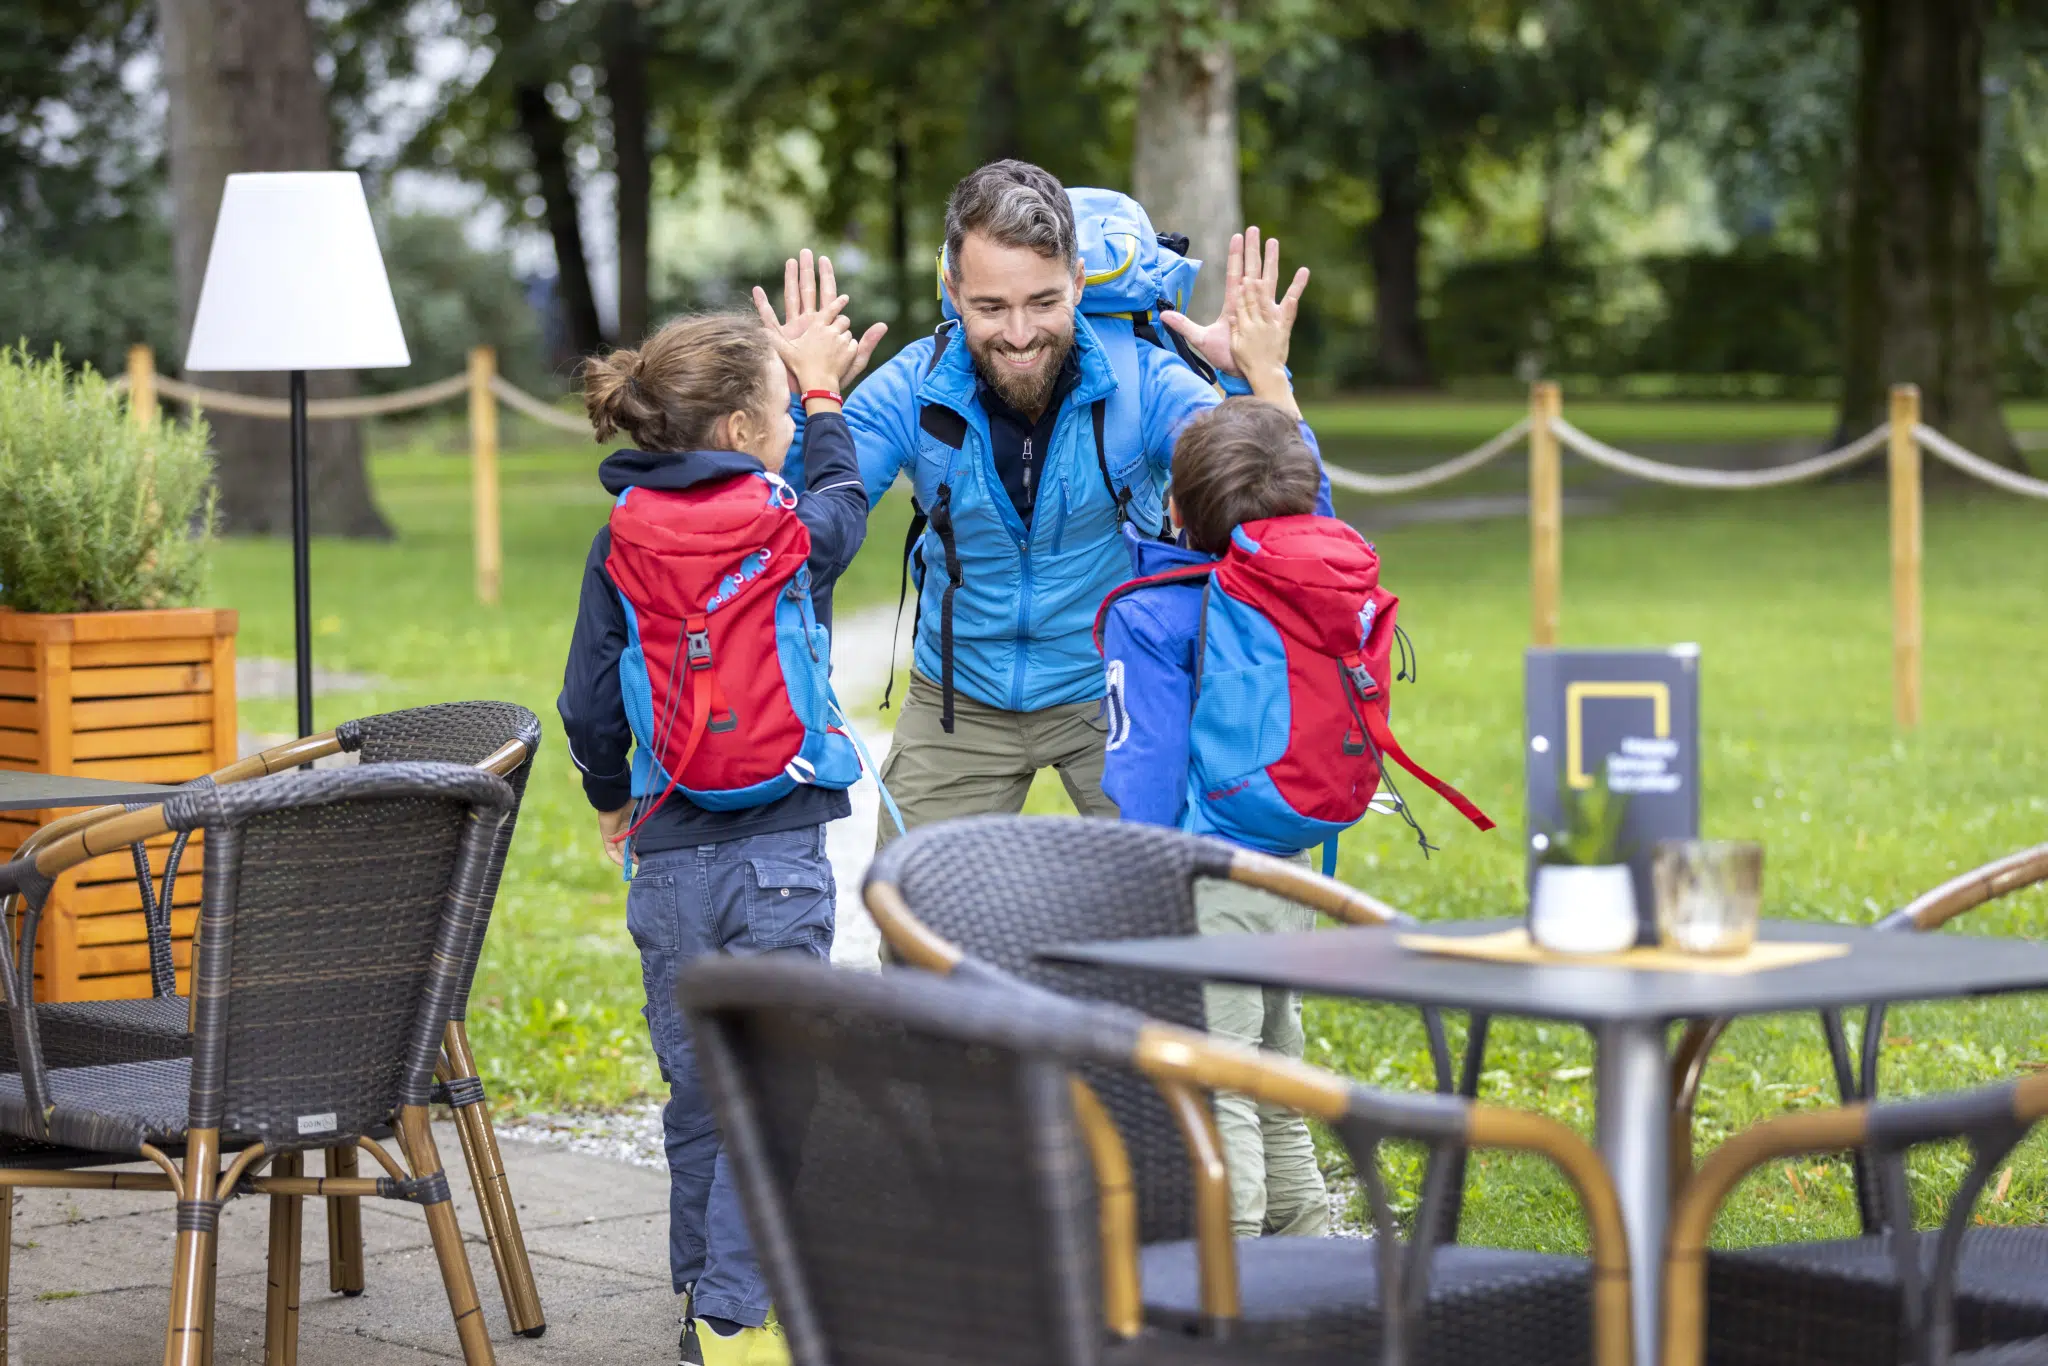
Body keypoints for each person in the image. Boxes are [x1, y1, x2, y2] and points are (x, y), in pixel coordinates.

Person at [761, 160, 1316, 847]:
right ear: (954, 292)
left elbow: (1291, 519)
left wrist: (1260, 379)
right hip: (958, 696)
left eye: (1044, 302)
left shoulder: (1143, 381)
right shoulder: (914, 386)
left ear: (1079, 283)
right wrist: (797, 403)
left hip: (1117, 685)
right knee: (914, 930)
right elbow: (789, 533)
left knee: (1178, 915)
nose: (1020, 335)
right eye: (991, 307)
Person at [557, 260, 882, 1366]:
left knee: (698, 1095)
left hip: (671, 857)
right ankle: (736, 1325)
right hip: (780, 850)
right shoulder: (783, 525)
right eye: (783, 415)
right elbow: (847, 508)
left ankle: (700, 1289)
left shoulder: (624, 537)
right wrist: (830, 397)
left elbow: (586, 703)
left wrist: (613, 798)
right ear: (745, 427)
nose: (793, 427)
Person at [1096, 246, 1331, 1238]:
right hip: (1296, 868)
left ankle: (1227, 1285)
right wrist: (1266, 378)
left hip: (1202, 885)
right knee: (1273, 1071)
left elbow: (1139, 786)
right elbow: (1305, 494)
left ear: (1176, 509)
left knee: (1217, 1089)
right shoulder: (1315, 575)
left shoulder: (1149, 614)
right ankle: (1310, 1250)